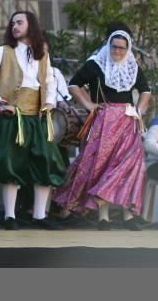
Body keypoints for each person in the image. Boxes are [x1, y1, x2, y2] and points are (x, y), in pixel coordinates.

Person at [53, 30, 151, 231]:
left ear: (127, 48)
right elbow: (74, 85)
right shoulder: (96, 64)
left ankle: (128, 215)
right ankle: (103, 217)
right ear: (108, 45)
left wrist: (139, 111)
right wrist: (88, 104)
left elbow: (146, 91)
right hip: (103, 120)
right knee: (101, 164)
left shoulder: (133, 66)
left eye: (121, 47)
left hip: (127, 120)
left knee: (129, 165)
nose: (117, 50)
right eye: (114, 46)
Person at [0, 11, 65, 230]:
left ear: (31, 25)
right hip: (13, 117)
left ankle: (39, 216)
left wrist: (50, 102)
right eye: (13, 23)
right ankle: (9, 216)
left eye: (19, 22)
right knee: (11, 164)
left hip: (38, 117)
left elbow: (50, 80)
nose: (14, 26)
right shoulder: (3, 52)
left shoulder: (42, 52)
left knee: (44, 163)